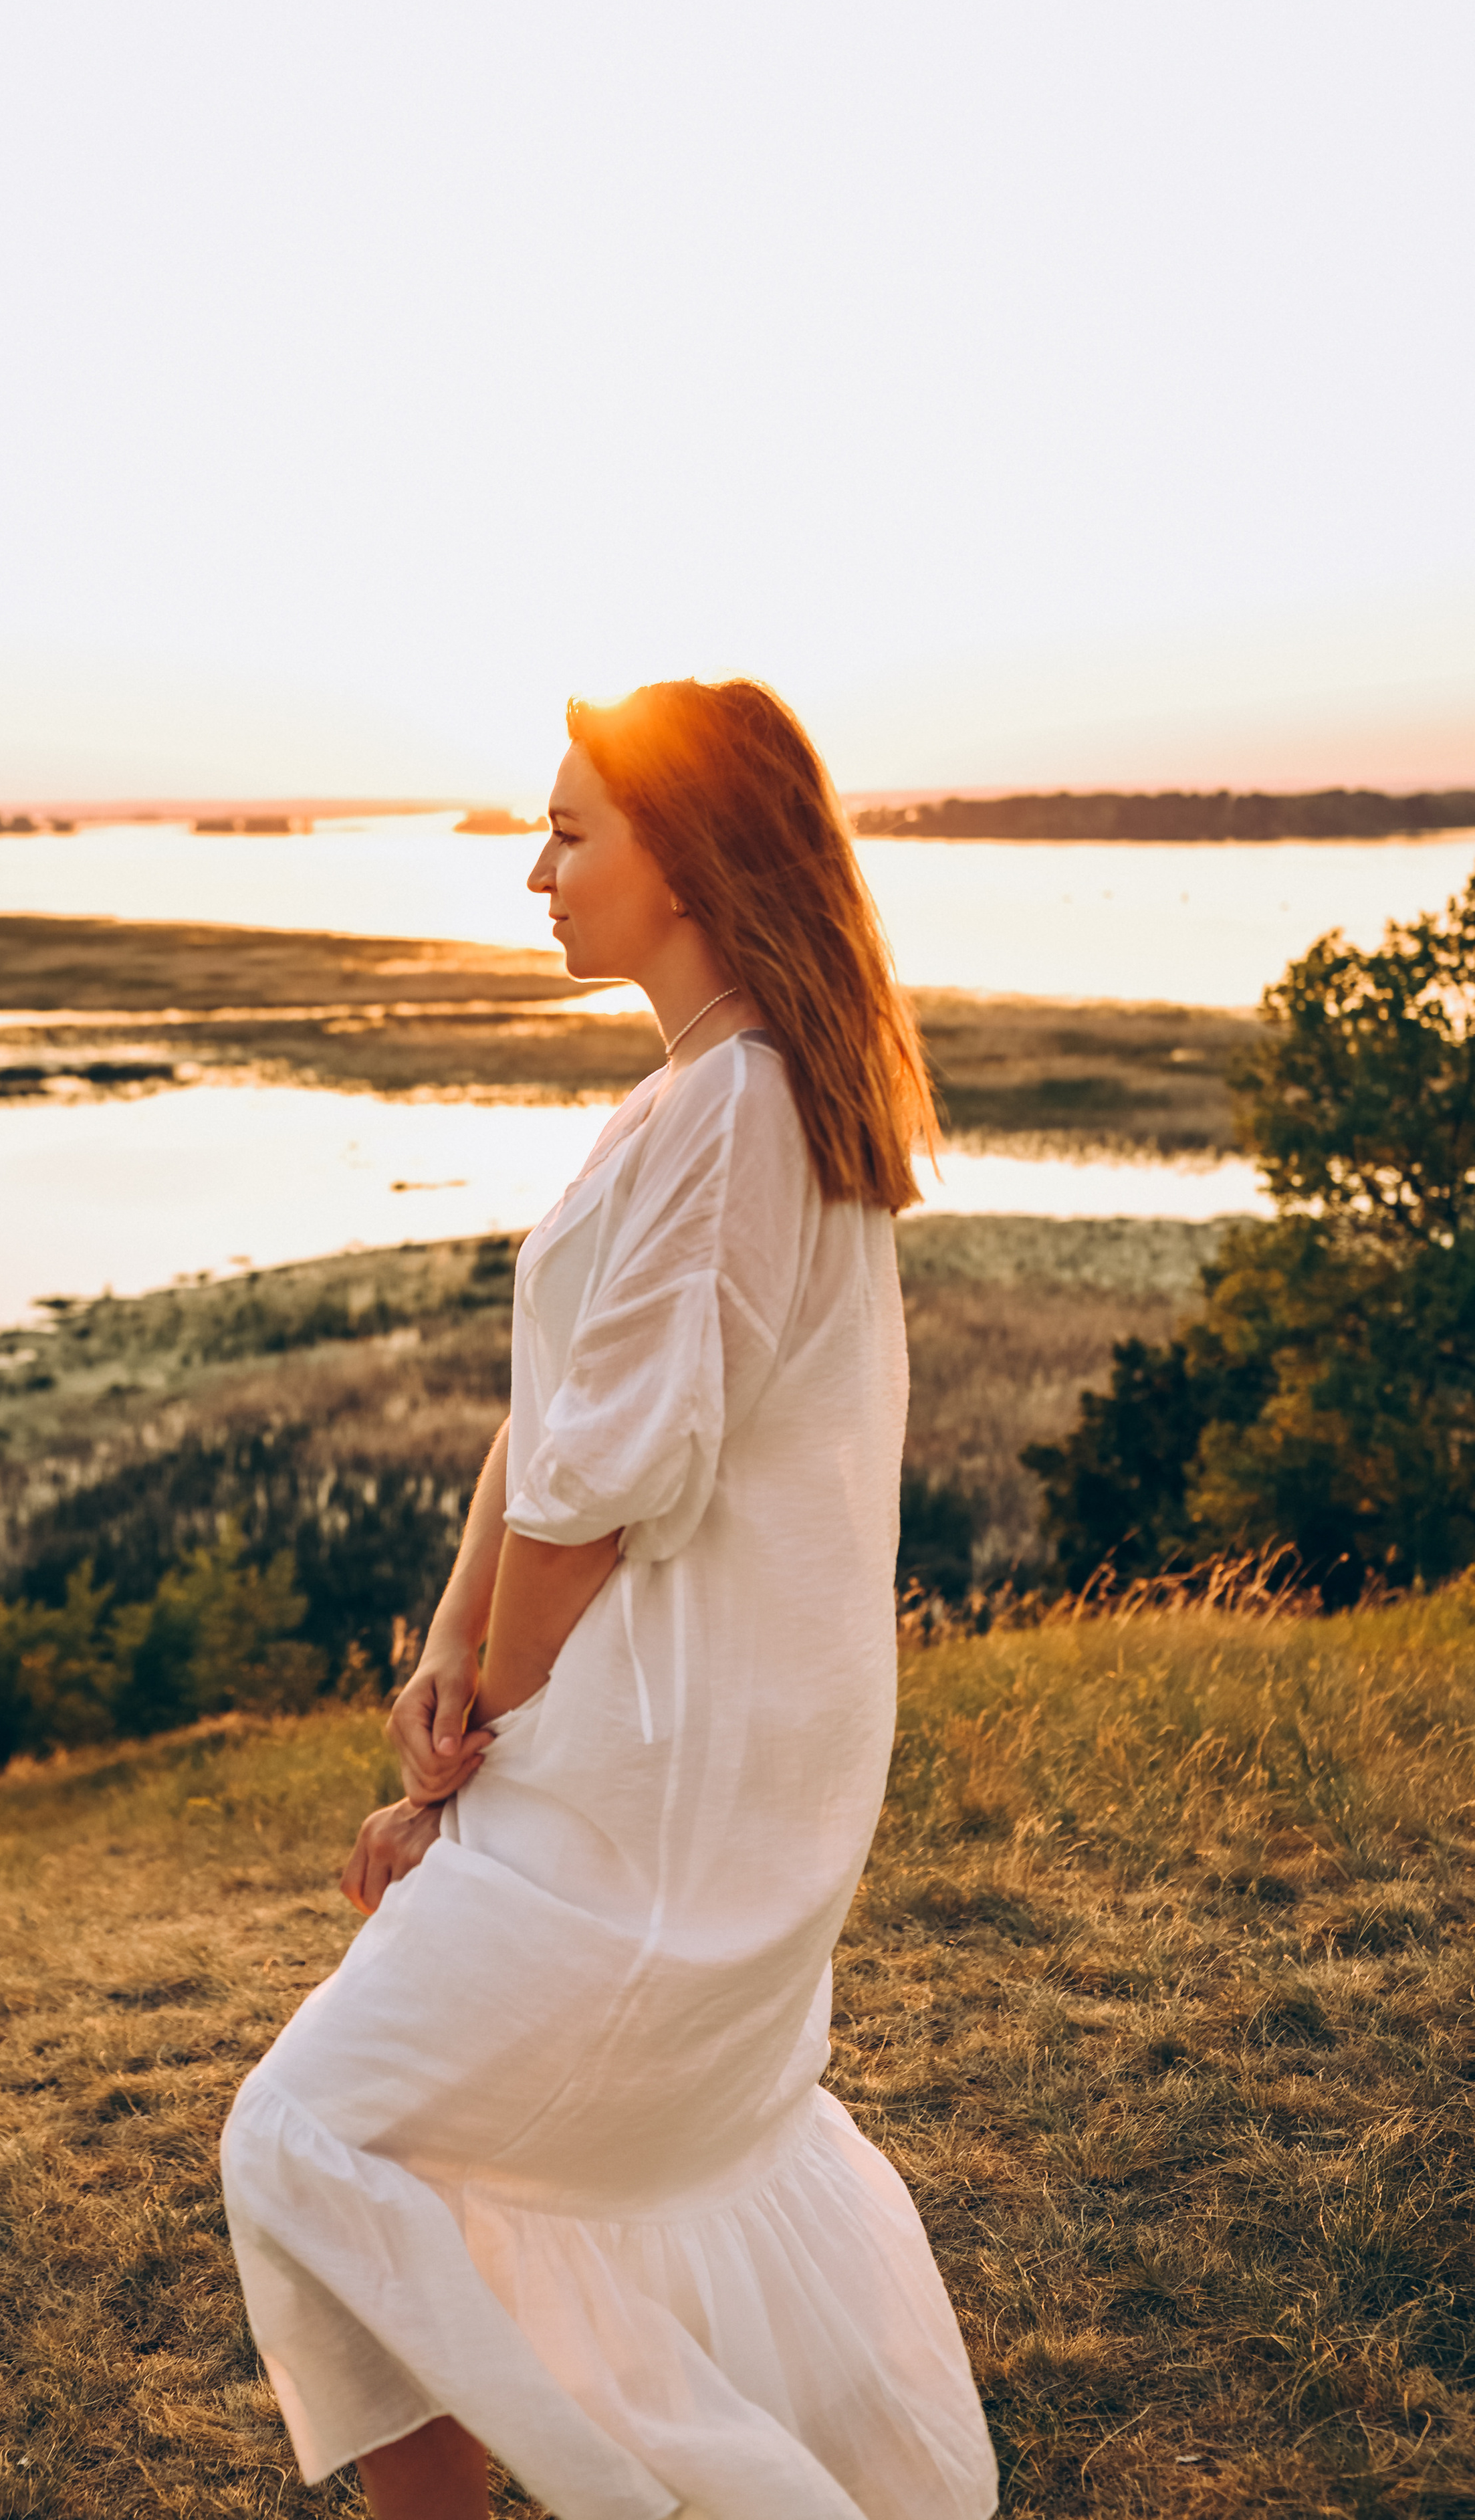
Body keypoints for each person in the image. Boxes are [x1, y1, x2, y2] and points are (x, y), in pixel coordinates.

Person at [220, 679, 998, 2520]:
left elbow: (593, 1498)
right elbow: (543, 1428)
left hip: (647, 1829)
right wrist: (440, 1652)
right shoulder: (694, 1096)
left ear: (692, 859)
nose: (535, 872)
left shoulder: (738, 1112)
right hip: (619, 1790)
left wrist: (446, 1776)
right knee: (426, 2160)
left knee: (309, 2138)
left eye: (572, 832)